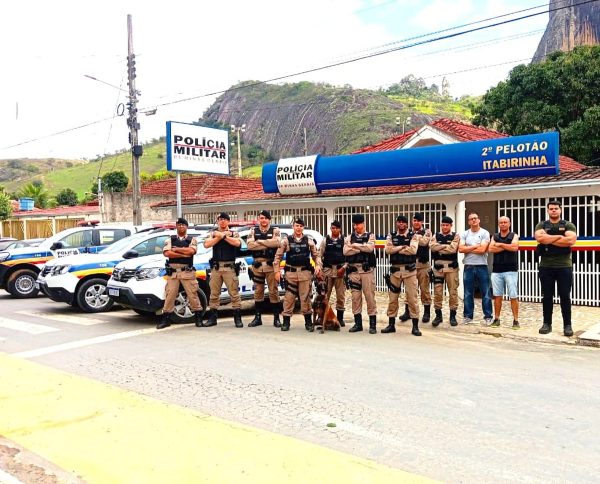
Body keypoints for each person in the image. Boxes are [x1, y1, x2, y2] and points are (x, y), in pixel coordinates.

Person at [535, 200, 577, 337]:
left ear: (560, 210)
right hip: (546, 266)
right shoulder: (542, 225)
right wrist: (560, 236)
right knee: (547, 296)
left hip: (564, 266)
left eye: (556, 208)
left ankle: (567, 325)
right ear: (547, 210)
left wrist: (549, 238)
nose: (553, 210)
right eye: (551, 208)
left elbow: (570, 241)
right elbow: (540, 239)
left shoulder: (568, 225)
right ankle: (547, 324)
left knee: (565, 296)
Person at [273, 218, 322, 331]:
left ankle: (308, 322)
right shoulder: (286, 241)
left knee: (305, 298)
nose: (298, 228)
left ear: (303, 227)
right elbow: (278, 257)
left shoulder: (309, 241)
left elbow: (316, 255)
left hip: (305, 274)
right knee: (289, 298)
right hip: (291, 274)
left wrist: (318, 265)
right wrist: (276, 271)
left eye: (301, 226)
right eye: (296, 225)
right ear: (293, 227)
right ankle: (286, 322)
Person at [157, 217, 203, 330]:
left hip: (187, 271)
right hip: (173, 273)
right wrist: (183, 253)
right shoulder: (170, 239)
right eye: (179, 225)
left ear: (187, 227)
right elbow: (167, 253)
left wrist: (176, 250)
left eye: (183, 225)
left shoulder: (192, 240)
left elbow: (192, 251)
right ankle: (166, 318)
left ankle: (198, 317)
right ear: (176, 226)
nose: (181, 226)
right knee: (170, 295)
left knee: (192, 294)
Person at [381, 215, 421, 336]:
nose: (401, 224)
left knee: (412, 299)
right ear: (396, 223)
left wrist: (395, 249)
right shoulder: (391, 235)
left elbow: (413, 250)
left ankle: (415, 327)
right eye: (399, 222)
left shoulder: (413, 235)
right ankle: (391, 324)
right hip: (395, 272)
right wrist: (401, 247)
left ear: (407, 224)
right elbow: (387, 250)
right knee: (393, 298)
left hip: (410, 272)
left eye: (403, 222)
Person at [202, 212, 243, 328]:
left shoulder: (234, 233)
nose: (222, 221)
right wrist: (219, 236)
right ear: (218, 221)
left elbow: (237, 243)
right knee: (214, 294)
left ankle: (237, 318)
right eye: (220, 219)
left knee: (234, 294)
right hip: (216, 268)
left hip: (229, 268)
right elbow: (206, 244)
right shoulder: (213, 233)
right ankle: (213, 318)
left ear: (228, 221)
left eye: (225, 219)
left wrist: (224, 236)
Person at [343, 214, 378, 334]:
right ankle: (358, 324)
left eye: (357, 224)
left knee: (370, 297)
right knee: (355, 298)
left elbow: (370, 248)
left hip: (366, 271)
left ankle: (372, 324)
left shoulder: (370, 235)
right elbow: (346, 251)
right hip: (353, 271)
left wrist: (355, 246)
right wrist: (361, 247)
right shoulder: (349, 237)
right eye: (354, 224)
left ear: (363, 224)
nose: (355, 226)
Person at [247, 210, 282, 328]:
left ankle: (276, 319)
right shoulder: (253, 231)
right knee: (258, 292)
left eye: (266, 218)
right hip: (257, 266)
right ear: (259, 219)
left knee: (273, 291)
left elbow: (277, 243)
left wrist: (260, 242)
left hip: (270, 265)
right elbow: (250, 245)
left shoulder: (275, 230)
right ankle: (257, 318)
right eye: (261, 218)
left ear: (269, 220)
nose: (263, 220)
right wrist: (268, 243)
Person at [458, 212, 493, 324]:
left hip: (482, 266)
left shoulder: (484, 233)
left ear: (478, 220)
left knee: (486, 292)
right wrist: (475, 246)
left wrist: (468, 248)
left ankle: (488, 316)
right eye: (471, 219)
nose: (473, 220)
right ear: (468, 222)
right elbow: (461, 249)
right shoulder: (464, 234)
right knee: (468, 293)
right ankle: (468, 316)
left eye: (475, 218)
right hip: (468, 266)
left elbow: (482, 250)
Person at [488, 216, 520, 329]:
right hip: (497, 270)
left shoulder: (514, 235)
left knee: (513, 295)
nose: (503, 224)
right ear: (498, 224)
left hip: (511, 270)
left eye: (505, 222)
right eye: (501, 222)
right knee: (497, 296)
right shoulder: (495, 236)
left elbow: (515, 247)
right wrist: (507, 246)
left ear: (509, 224)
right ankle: (496, 319)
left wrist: (500, 245)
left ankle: (516, 320)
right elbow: (491, 249)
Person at [429, 216, 460, 327]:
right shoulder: (435, 235)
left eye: (447, 225)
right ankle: (438, 315)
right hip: (438, 268)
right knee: (437, 292)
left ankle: (453, 315)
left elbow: (453, 249)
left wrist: (440, 247)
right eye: (443, 225)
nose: (444, 227)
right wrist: (445, 246)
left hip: (451, 268)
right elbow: (432, 247)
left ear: (451, 225)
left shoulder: (455, 236)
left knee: (453, 292)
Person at [318, 220, 347, 327]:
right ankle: (322, 317)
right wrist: (320, 269)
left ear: (340, 229)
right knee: (325, 295)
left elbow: (348, 256)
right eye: (332, 228)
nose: (334, 230)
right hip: (328, 270)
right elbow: (319, 255)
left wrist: (344, 268)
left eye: (336, 228)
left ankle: (340, 318)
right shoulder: (326, 240)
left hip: (340, 271)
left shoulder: (344, 240)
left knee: (341, 295)